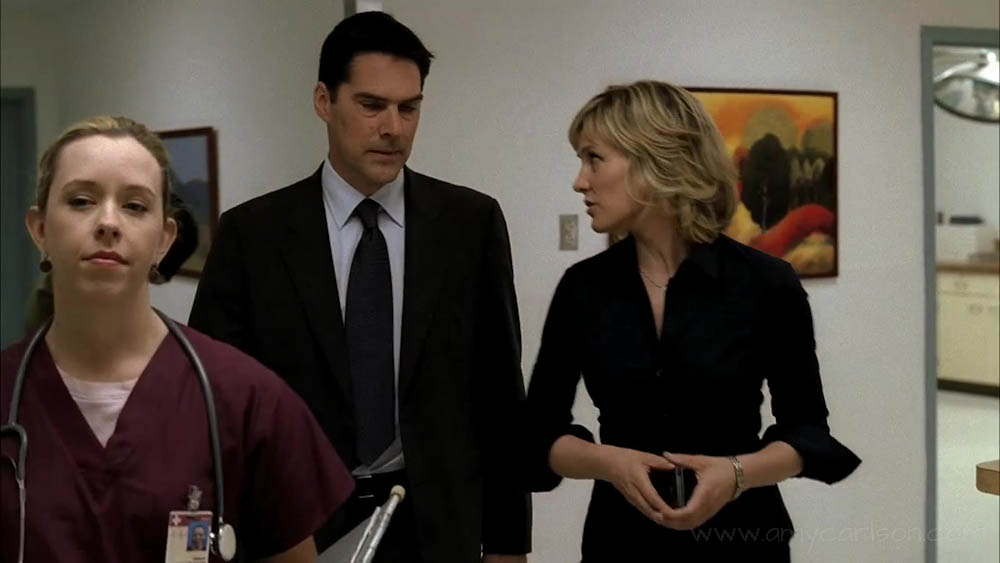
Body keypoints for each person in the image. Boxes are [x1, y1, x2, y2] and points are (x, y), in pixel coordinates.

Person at [188, 12, 530, 563]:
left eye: (408, 108)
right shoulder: (253, 235)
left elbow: (500, 395)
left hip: (437, 528)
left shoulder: (470, 224)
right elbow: (215, 403)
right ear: (324, 101)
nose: (393, 127)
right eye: (372, 105)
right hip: (296, 531)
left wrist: (509, 545)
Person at [524, 81, 861, 560]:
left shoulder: (767, 283)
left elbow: (807, 432)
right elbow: (538, 434)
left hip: (742, 542)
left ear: (655, 162)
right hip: (621, 543)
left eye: (594, 159)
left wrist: (736, 474)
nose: (580, 181)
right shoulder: (583, 288)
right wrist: (607, 462)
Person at [0, 116, 355, 563]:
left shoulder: (248, 400)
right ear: (39, 229)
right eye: (81, 201)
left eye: (134, 206)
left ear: (164, 240)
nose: (108, 222)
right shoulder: (6, 391)